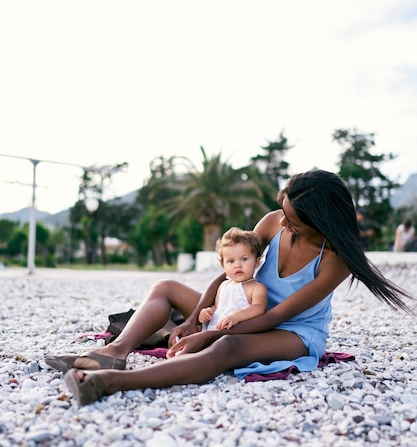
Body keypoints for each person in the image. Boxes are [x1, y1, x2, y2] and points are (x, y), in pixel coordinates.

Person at [44, 170, 414, 407]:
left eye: (294, 219)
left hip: (291, 330)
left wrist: (207, 337)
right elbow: (230, 271)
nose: (283, 221)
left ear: (321, 221)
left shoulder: (334, 258)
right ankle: (115, 351)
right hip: (239, 305)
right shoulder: (274, 222)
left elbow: (279, 314)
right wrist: (191, 321)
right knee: (166, 286)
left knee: (228, 345)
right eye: (283, 211)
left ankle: (108, 382)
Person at [198, 227, 267, 331]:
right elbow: (218, 308)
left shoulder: (256, 288)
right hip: (214, 329)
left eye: (244, 259)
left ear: (256, 262)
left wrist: (236, 317)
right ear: (223, 264)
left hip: (235, 334)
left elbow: (259, 307)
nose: (237, 265)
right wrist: (208, 312)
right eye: (231, 261)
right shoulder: (223, 286)